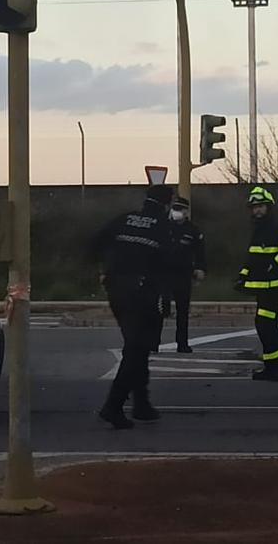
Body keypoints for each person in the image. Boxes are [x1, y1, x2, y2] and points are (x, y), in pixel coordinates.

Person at [93, 184, 173, 429]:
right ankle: (114, 406)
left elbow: (95, 242)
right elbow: (167, 265)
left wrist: (105, 269)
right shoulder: (162, 228)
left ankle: (141, 404)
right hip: (143, 293)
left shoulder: (125, 219)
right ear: (166, 205)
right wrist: (166, 298)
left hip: (116, 289)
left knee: (136, 346)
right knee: (138, 348)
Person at [235, 186, 278, 381]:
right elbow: (252, 258)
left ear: (269, 207)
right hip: (264, 288)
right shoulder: (258, 231)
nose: (257, 210)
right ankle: (274, 366)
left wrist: (275, 263)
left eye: (261, 206)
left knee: (265, 325)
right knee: (264, 325)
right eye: (254, 207)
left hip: (274, 287)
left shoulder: (277, 229)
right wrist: (242, 276)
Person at [161, 197, 206, 354]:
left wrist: (200, 269)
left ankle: (182, 343)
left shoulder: (193, 230)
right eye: (175, 209)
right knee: (160, 308)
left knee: (182, 311)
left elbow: (200, 252)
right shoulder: (164, 227)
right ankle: (153, 342)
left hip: (183, 274)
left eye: (180, 209)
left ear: (186, 212)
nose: (176, 212)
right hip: (164, 273)